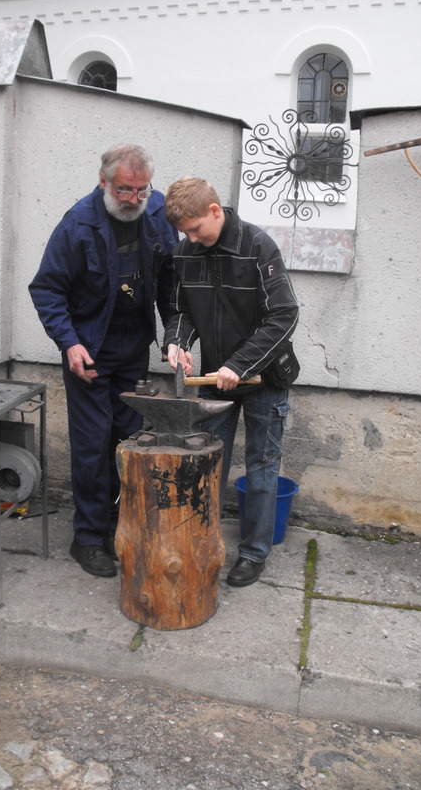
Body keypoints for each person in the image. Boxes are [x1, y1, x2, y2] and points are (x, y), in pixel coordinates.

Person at [29, 144, 178, 578]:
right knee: (93, 443)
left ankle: (122, 526)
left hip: (134, 347)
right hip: (89, 350)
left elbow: (171, 277)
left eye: (141, 189)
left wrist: (174, 334)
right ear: (103, 182)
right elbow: (47, 289)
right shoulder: (78, 224)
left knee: (128, 440)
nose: (133, 198)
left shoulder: (157, 212)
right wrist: (69, 343)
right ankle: (89, 538)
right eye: (124, 189)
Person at [163, 177, 299, 588]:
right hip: (213, 379)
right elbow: (181, 310)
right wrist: (177, 343)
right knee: (208, 466)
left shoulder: (258, 247)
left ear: (214, 211)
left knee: (261, 467)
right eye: (184, 232)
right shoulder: (185, 253)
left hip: (264, 378)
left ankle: (254, 553)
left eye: (195, 229)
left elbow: (284, 315)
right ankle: (203, 543)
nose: (190, 239)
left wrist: (239, 364)